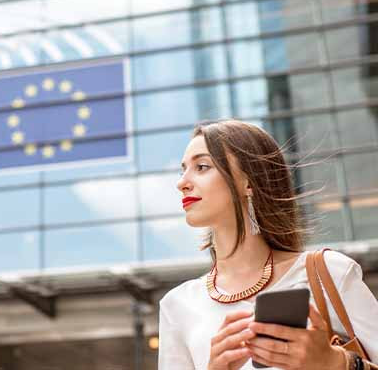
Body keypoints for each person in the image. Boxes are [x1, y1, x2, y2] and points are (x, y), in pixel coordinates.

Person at [158, 120, 378, 370]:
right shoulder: (177, 305)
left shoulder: (329, 272)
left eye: (202, 166)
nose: (182, 182)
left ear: (249, 182)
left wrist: (336, 363)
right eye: (183, 170)